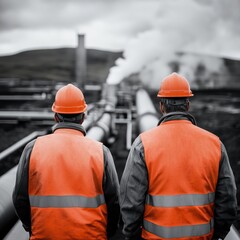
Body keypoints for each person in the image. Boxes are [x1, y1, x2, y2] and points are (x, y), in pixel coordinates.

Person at [120, 73, 237, 240]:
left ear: (161, 106)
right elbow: (228, 199)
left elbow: (131, 200)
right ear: (187, 105)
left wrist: (131, 234)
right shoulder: (215, 144)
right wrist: (218, 234)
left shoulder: (143, 144)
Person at [12, 83, 120, 240]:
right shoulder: (100, 151)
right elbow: (114, 201)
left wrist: (31, 226)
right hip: (90, 235)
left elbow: (19, 199)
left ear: (55, 116)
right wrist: (108, 231)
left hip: (45, 235)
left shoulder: (33, 148)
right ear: (83, 116)